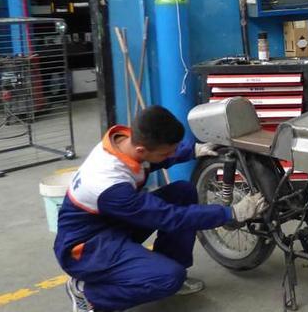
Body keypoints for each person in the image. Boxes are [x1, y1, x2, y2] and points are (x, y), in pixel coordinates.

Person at [54, 106, 267, 312]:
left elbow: (151, 160)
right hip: (86, 248)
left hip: (111, 222)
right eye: (168, 152)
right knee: (169, 278)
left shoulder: (125, 142)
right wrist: (230, 213)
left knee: (182, 192)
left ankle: (166, 266)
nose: (170, 154)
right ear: (141, 150)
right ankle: (89, 295)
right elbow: (169, 217)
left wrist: (192, 150)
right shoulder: (109, 183)